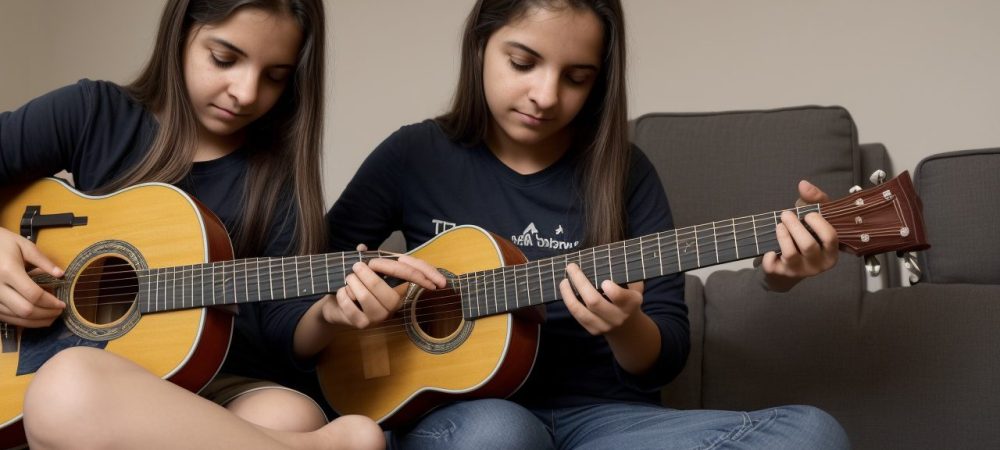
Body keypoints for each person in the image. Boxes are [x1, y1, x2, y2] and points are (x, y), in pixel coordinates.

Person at [324, 0, 851, 448]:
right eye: (523, 63)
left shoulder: (626, 172)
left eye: (576, 77)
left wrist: (626, 327)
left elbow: (665, 355)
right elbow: (314, 274)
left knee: (812, 433)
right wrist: (356, 299)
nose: (547, 95)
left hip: (604, 421)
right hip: (471, 418)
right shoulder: (415, 154)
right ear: (480, 46)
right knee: (502, 433)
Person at [0, 0, 443, 448]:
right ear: (182, 32)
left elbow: (282, 323)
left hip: (208, 382)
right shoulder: (94, 112)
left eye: (275, 76)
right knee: (65, 384)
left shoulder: (274, 179)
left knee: (292, 413)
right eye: (224, 59)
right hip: (74, 374)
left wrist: (330, 313)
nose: (246, 92)